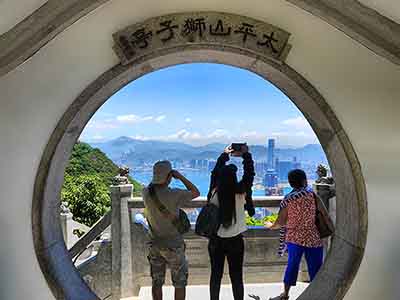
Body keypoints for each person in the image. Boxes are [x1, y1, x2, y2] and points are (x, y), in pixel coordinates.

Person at [142, 160, 200, 300]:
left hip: (155, 244)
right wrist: (179, 176)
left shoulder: (145, 192)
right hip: (174, 245)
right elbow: (195, 192)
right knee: (179, 283)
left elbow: (152, 186)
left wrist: (163, 177)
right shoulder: (174, 194)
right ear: (169, 177)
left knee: (157, 282)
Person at [265, 169, 323, 300]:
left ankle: (285, 294)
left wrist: (270, 226)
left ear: (291, 183)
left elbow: (280, 222)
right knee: (317, 269)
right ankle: (319, 294)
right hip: (313, 236)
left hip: (294, 238)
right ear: (304, 180)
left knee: (292, 266)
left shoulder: (288, 199)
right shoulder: (311, 194)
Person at [207, 145, 255, 300]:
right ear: (234, 177)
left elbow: (214, 174)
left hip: (216, 240)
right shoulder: (241, 193)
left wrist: (224, 156)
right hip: (235, 241)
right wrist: (246, 155)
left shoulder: (213, 192)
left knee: (216, 275)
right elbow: (249, 174)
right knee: (236, 277)